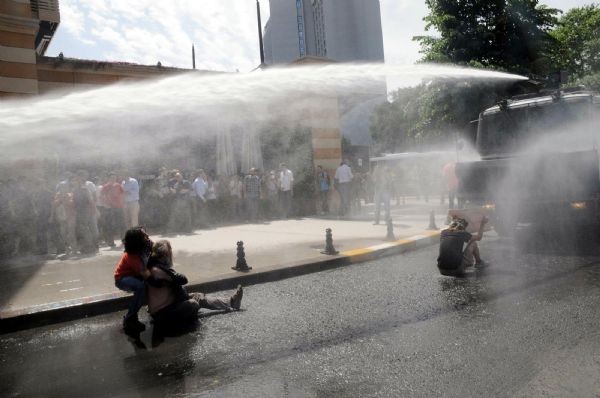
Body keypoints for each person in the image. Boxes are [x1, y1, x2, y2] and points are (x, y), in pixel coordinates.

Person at [146, 240, 243, 335]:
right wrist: (189, 299)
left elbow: (177, 287)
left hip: (169, 306)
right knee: (193, 303)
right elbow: (182, 280)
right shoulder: (158, 271)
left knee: (198, 296)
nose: (172, 254)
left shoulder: (158, 267)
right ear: (165, 254)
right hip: (162, 315)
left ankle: (231, 302)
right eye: (170, 250)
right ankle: (186, 321)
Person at [114, 227, 153, 333]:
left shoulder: (141, 251)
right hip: (122, 279)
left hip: (134, 276)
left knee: (144, 285)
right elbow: (146, 274)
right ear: (138, 242)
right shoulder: (133, 257)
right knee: (141, 287)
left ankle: (139, 314)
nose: (148, 237)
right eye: (145, 236)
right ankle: (129, 318)